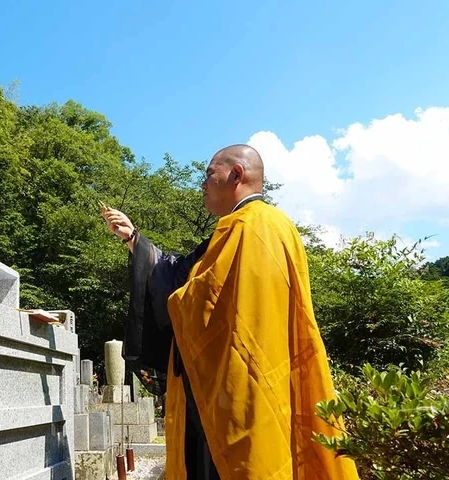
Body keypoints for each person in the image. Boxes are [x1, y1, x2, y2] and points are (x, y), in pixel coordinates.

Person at [101, 145, 358, 479]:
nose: (203, 184)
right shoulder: (272, 225)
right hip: (263, 375)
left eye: (209, 174)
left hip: (237, 386)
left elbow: (194, 297)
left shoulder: (247, 227)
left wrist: (179, 302)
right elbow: (185, 273)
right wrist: (134, 238)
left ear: (236, 174)